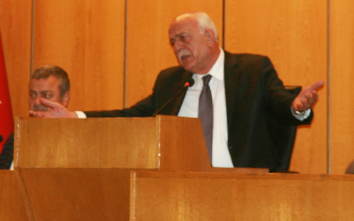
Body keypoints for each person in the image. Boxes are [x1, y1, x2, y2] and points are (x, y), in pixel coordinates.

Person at [31, 12, 324, 171]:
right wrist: (76, 117)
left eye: (183, 38)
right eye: (172, 42)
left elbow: (280, 103)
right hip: (179, 190)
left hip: (242, 185)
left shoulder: (251, 70)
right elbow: (133, 116)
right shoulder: (171, 81)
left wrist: (297, 106)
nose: (177, 47)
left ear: (209, 37)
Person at [0, 65, 70, 169]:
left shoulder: (73, 141)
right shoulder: (16, 137)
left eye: (47, 95)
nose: (37, 102)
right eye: (33, 95)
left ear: (65, 98)